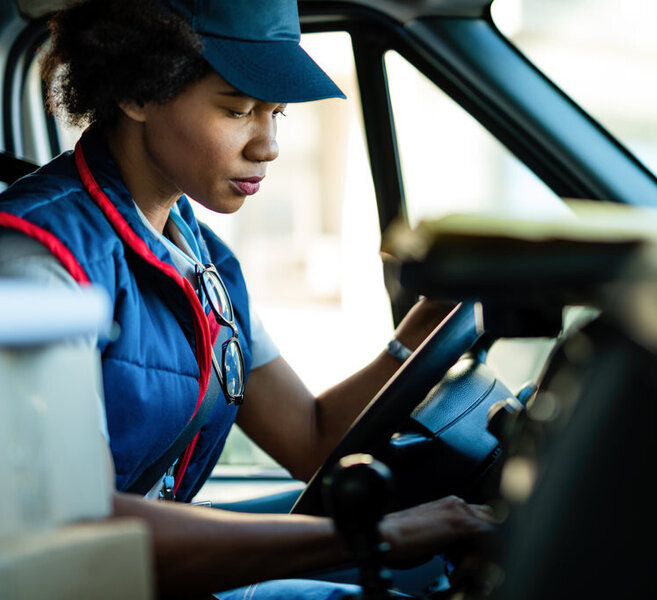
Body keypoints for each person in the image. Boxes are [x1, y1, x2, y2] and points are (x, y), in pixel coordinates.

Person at [0, 0, 493, 597]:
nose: (269, 145)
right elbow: (79, 534)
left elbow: (309, 438)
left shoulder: (204, 261)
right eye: (237, 110)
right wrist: (373, 534)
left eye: (275, 113)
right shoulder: (36, 263)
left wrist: (429, 319)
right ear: (136, 93)